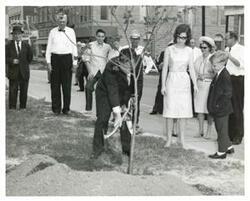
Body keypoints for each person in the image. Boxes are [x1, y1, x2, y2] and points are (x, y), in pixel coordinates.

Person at [91, 48, 137, 159]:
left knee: (126, 120)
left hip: (123, 94)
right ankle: (98, 150)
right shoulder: (111, 66)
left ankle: (127, 150)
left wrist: (133, 97)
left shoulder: (137, 64)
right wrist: (117, 113)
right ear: (120, 62)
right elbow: (113, 89)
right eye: (125, 65)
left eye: (131, 64)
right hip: (105, 93)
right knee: (102, 119)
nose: (129, 67)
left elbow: (137, 83)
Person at [161, 24, 198, 148]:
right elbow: (165, 68)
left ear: (187, 38)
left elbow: (191, 69)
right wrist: (163, 85)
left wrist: (195, 84)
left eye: (183, 38)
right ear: (176, 35)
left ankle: (182, 139)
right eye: (179, 37)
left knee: (183, 111)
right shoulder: (169, 49)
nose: (180, 40)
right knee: (170, 110)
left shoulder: (189, 50)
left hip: (184, 81)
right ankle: (169, 139)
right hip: (172, 79)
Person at [46, 13, 78, 115]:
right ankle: (56, 109)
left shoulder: (71, 31)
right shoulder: (52, 32)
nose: (62, 23)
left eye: (63, 21)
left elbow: (74, 48)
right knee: (55, 86)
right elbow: (48, 48)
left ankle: (66, 109)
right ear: (57, 21)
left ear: (66, 21)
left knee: (66, 86)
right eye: (60, 21)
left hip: (67, 59)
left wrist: (75, 63)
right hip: (55, 59)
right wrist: (48, 63)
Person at [207, 51, 234, 159]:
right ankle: (228, 146)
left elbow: (228, 93)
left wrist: (218, 105)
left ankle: (221, 152)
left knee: (221, 130)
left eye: (215, 65)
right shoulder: (220, 73)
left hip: (222, 108)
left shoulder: (225, 75)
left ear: (223, 63)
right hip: (220, 108)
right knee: (222, 129)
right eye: (212, 65)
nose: (213, 67)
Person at [83, 29, 112, 114]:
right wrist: (90, 72)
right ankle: (88, 109)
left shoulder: (108, 47)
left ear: (104, 37)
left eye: (102, 37)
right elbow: (86, 59)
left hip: (103, 71)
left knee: (104, 91)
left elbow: (112, 57)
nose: (100, 38)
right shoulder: (90, 45)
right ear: (96, 36)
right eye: (99, 36)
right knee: (88, 87)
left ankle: (103, 111)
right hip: (93, 70)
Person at [6, 24, 33, 110]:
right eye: (15, 34)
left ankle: (23, 107)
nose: (17, 36)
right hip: (13, 72)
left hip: (24, 72)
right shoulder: (8, 46)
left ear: (22, 35)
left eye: (19, 34)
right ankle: (12, 107)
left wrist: (23, 64)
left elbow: (30, 57)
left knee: (24, 91)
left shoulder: (26, 45)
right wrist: (12, 61)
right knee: (13, 91)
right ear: (13, 35)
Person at [193, 36, 216, 139]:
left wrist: (206, 76)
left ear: (210, 48)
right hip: (199, 86)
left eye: (205, 47)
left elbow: (216, 74)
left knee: (209, 109)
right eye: (201, 47)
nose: (203, 49)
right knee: (199, 109)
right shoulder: (198, 59)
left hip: (208, 86)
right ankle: (200, 130)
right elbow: (193, 71)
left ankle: (209, 132)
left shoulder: (213, 59)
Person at [225, 31, 244, 145]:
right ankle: (229, 134)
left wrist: (230, 57)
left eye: (227, 39)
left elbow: (240, 65)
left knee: (237, 107)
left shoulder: (242, 50)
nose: (225, 41)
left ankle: (238, 135)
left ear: (233, 38)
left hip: (237, 80)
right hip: (228, 79)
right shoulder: (227, 50)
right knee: (229, 108)